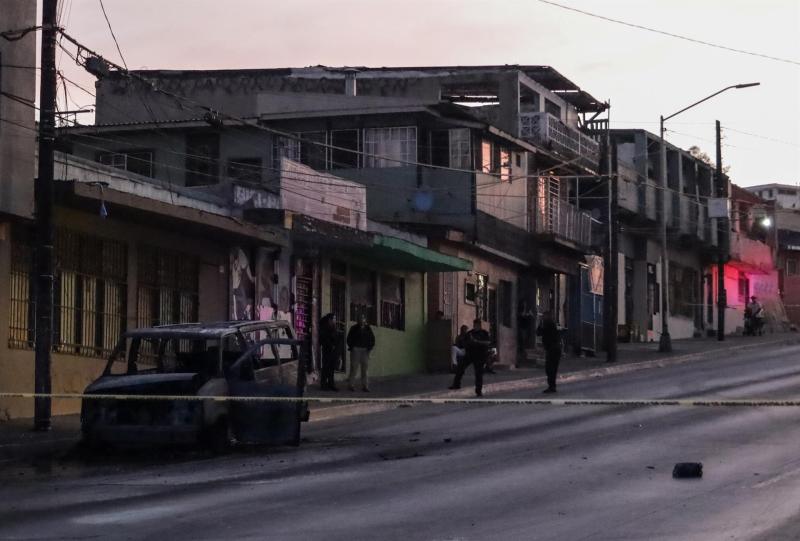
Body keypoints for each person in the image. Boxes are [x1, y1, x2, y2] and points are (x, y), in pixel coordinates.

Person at [449, 318, 492, 397]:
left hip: (480, 356)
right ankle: (456, 384)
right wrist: (468, 343)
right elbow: (464, 342)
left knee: (478, 374)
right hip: (470, 354)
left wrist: (477, 342)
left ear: (480, 325)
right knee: (460, 368)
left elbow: (488, 342)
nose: (476, 326)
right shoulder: (470, 333)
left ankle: (478, 391)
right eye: (474, 324)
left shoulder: (484, 333)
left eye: (477, 325)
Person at [346, 314, 375, 392]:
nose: (361, 320)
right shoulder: (354, 328)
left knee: (365, 369)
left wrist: (369, 348)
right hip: (356, 350)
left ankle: (365, 386)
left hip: (365, 351)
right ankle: (351, 385)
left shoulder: (368, 328)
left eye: (363, 318)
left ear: (365, 320)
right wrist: (352, 347)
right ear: (358, 320)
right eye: (360, 318)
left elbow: (372, 339)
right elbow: (349, 338)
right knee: (354, 368)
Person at [537, 310, 562, 394]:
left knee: (550, 368)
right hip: (553, 349)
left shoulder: (549, 324)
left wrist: (540, 324)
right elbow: (539, 333)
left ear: (547, 316)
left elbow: (539, 332)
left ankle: (552, 386)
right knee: (551, 369)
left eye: (544, 316)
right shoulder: (550, 323)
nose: (542, 317)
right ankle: (552, 386)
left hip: (553, 349)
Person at [319, 313, 341, 391]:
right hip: (327, 351)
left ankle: (331, 384)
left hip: (333, 351)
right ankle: (323, 384)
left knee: (331, 369)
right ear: (330, 320)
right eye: (334, 319)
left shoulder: (334, 327)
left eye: (335, 319)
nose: (335, 320)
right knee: (326, 368)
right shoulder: (324, 328)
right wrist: (330, 345)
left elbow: (337, 338)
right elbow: (323, 339)